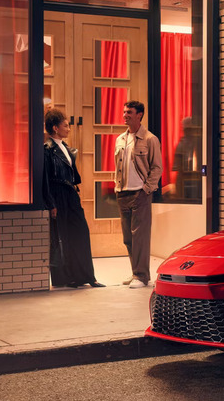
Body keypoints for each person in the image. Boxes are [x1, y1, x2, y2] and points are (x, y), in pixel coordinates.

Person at [42, 109, 105, 288]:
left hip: (70, 194)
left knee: (81, 233)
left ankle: (86, 276)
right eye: (65, 125)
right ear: (55, 128)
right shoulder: (47, 150)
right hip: (57, 195)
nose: (69, 129)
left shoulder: (67, 148)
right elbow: (45, 180)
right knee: (61, 236)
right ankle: (65, 279)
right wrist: (51, 203)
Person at [114, 100, 162, 288]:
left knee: (140, 236)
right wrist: (116, 186)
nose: (125, 115)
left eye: (129, 112)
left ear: (139, 115)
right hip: (122, 192)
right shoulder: (120, 139)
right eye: (124, 111)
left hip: (140, 193)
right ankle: (136, 272)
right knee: (128, 237)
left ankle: (142, 276)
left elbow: (157, 168)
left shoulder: (150, 139)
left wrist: (147, 189)